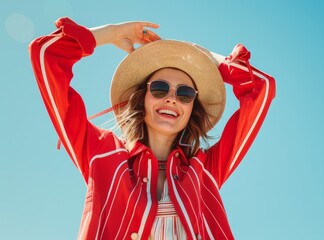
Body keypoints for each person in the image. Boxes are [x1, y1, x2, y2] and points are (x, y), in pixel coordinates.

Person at [29, 17, 275, 240]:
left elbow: (261, 87)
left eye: (185, 94)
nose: (171, 98)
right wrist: (111, 33)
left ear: (191, 110)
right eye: (159, 88)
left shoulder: (205, 171)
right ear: (142, 99)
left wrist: (209, 60)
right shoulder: (101, 155)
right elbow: (46, 54)